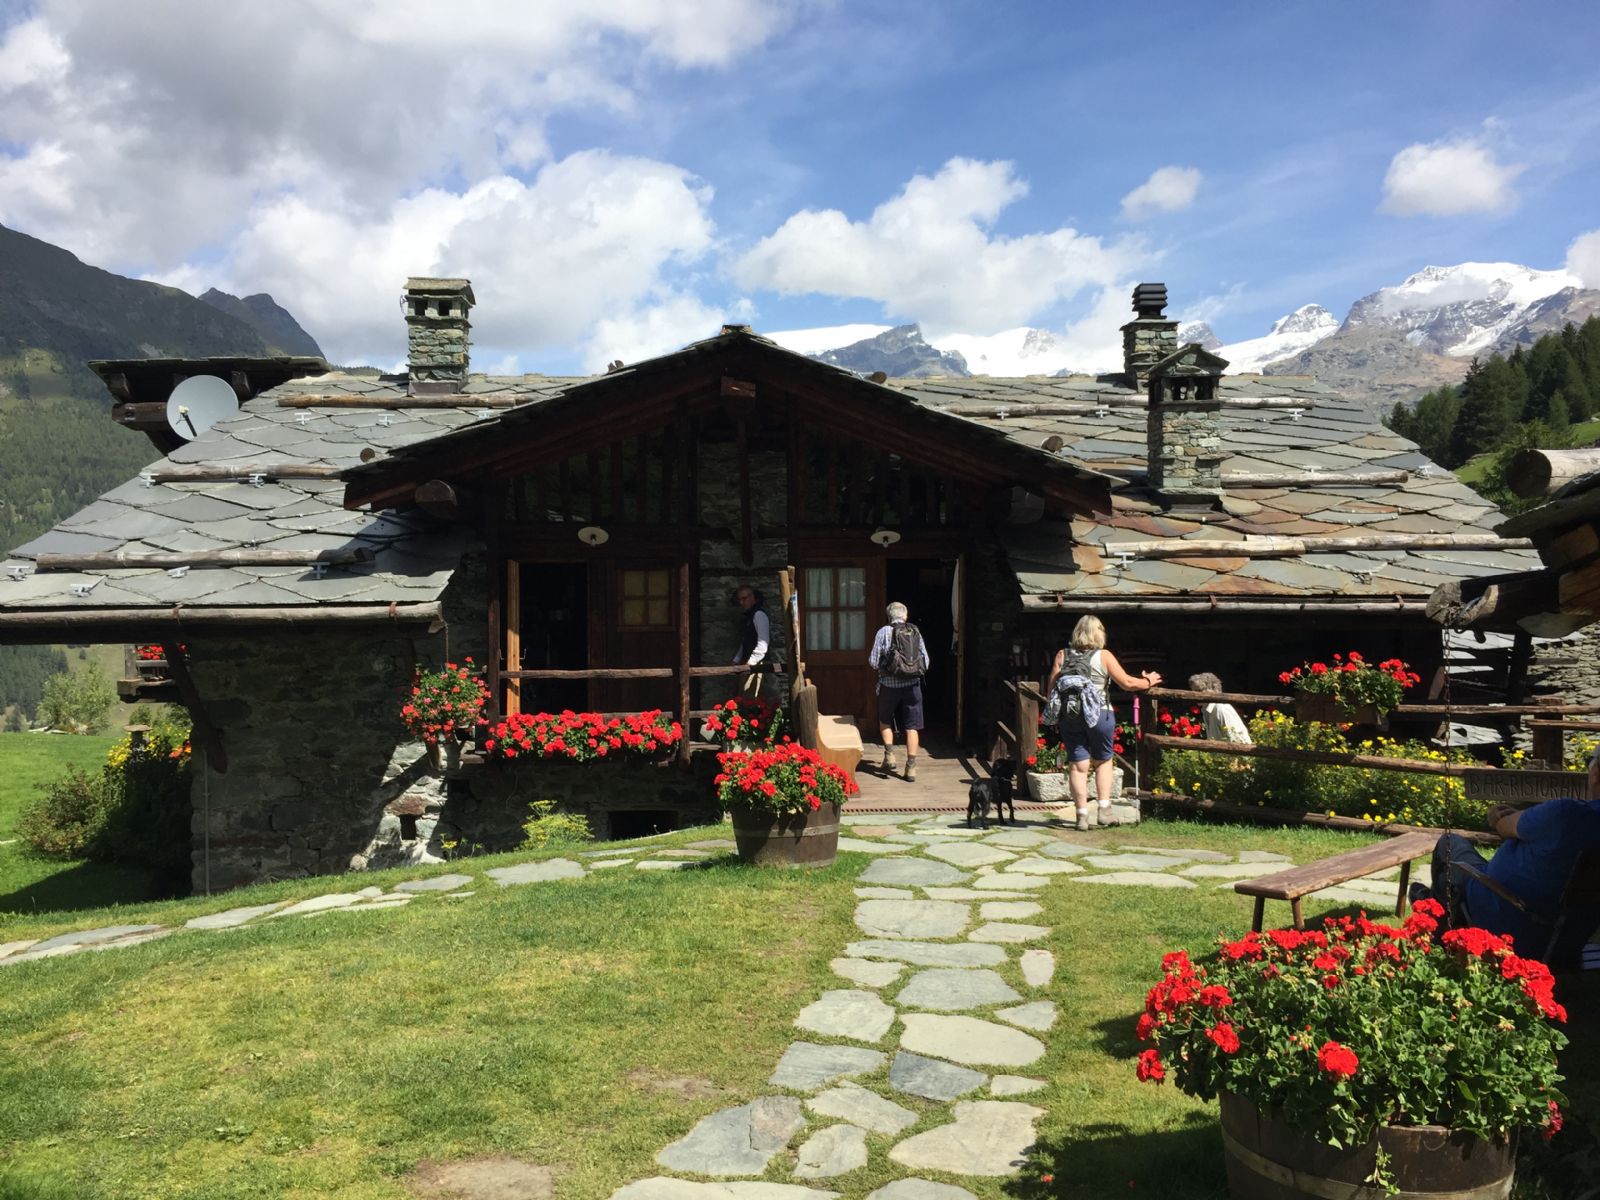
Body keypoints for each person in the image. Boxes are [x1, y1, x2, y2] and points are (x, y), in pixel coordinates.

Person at [1419, 746, 1600, 966]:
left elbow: (1504, 826)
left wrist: (1496, 815)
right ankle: (1430, 901)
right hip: (1568, 940)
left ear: (1596, 773)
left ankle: (1438, 931)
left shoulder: (1566, 814)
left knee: (1449, 844)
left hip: (1509, 919)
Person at [1045, 615, 1161, 831]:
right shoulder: (1104, 655)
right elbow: (1127, 683)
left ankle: (1081, 816)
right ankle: (1104, 811)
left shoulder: (1062, 655)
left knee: (1077, 766)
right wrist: (1148, 681)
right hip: (1100, 714)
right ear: (1099, 633)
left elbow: (1051, 690)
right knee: (1103, 761)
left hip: (1070, 715)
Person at [868, 601, 930, 781]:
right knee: (912, 726)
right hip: (913, 686)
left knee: (885, 720)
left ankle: (890, 755)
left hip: (889, 685)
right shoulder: (915, 631)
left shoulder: (883, 632)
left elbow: (873, 662)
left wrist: (887, 667)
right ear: (905, 616)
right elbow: (926, 662)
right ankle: (911, 768)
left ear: (889, 616)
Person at [1188, 673, 1252, 745]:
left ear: (1212, 690)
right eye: (1193, 691)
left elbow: (1238, 741)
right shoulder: (1207, 710)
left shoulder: (1221, 709)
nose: (1195, 695)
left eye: (1199, 691)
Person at [731, 585, 770, 697]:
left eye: (744, 598)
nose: (742, 602)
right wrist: (737, 659)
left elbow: (763, 643)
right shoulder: (749, 616)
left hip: (755, 665)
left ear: (752, 597)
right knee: (743, 698)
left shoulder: (759, 615)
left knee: (750, 699)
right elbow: (746, 641)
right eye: (740, 600)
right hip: (747, 664)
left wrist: (751, 662)